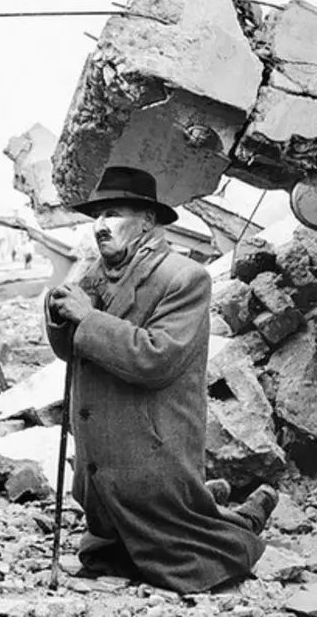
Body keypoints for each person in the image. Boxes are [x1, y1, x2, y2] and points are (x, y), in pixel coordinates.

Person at [45, 165, 278, 595]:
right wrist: (59, 314)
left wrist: (87, 316)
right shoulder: (93, 275)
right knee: (111, 554)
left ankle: (245, 523)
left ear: (147, 220)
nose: (100, 226)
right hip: (104, 464)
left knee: (189, 557)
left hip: (151, 452)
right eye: (96, 216)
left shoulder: (184, 278)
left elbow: (156, 359)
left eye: (113, 212)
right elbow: (71, 351)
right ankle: (216, 503)